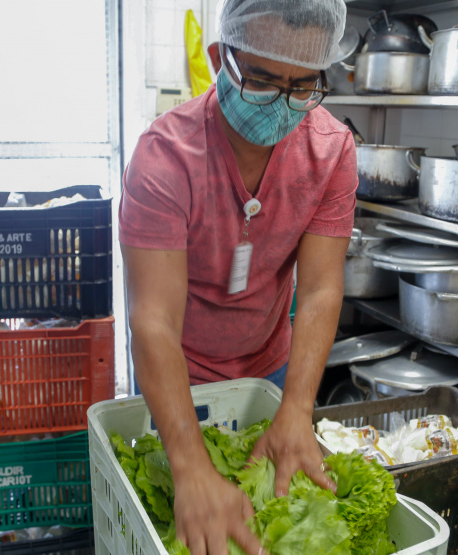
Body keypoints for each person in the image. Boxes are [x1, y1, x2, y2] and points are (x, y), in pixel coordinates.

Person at [118, 0, 355, 553]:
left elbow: (320, 287)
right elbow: (152, 320)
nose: (281, 103)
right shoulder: (165, 156)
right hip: (177, 376)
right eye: (263, 79)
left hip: (268, 373)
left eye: (302, 87)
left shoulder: (330, 150)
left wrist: (296, 408)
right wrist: (189, 467)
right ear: (221, 58)